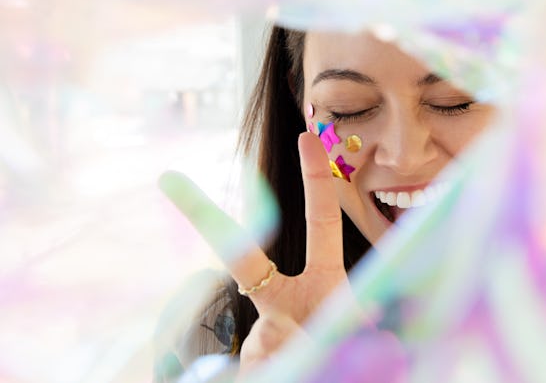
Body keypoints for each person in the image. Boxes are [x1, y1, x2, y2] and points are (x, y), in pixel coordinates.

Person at [155, 25, 497, 379]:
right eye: (348, 109)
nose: (404, 156)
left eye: (457, 100)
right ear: (298, 100)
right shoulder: (210, 333)